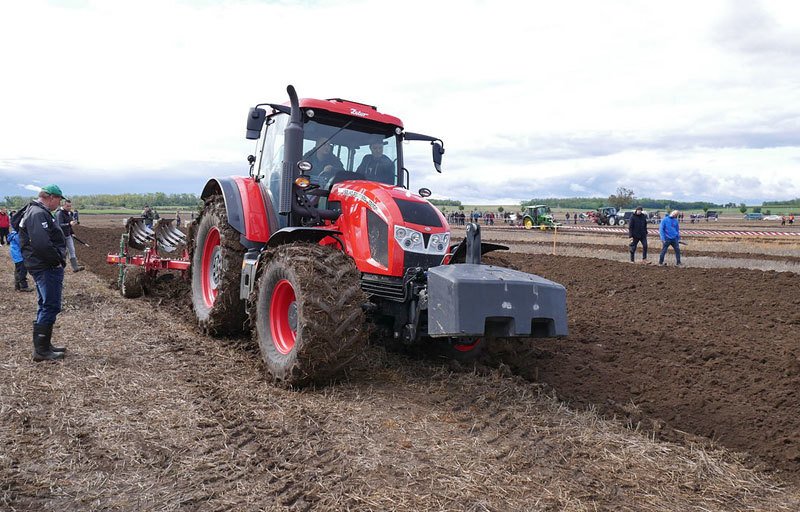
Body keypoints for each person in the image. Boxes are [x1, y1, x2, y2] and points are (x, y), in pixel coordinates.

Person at [15, 184, 69, 361]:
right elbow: (42, 244)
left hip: (41, 266)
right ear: (51, 197)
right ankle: (41, 350)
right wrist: (57, 260)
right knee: (50, 305)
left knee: (45, 303)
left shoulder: (35, 211)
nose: (59, 203)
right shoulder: (38, 214)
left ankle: (45, 345)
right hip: (46, 267)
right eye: (59, 200)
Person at [56, 200, 85, 272]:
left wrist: (72, 232)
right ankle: (60, 268)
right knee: (63, 252)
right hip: (60, 236)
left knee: (72, 250)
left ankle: (75, 268)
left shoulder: (68, 213)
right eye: (67, 206)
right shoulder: (59, 213)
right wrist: (69, 224)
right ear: (63, 205)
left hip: (68, 235)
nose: (69, 207)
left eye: (70, 206)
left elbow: (69, 226)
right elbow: (59, 225)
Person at [8, 227, 33, 292]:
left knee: (18, 270)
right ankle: (23, 286)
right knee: (22, 271)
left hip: (16, 256)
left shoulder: (13, 234)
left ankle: (17, 286)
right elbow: (22, 243)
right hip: (19, 256)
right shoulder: (17, 235)